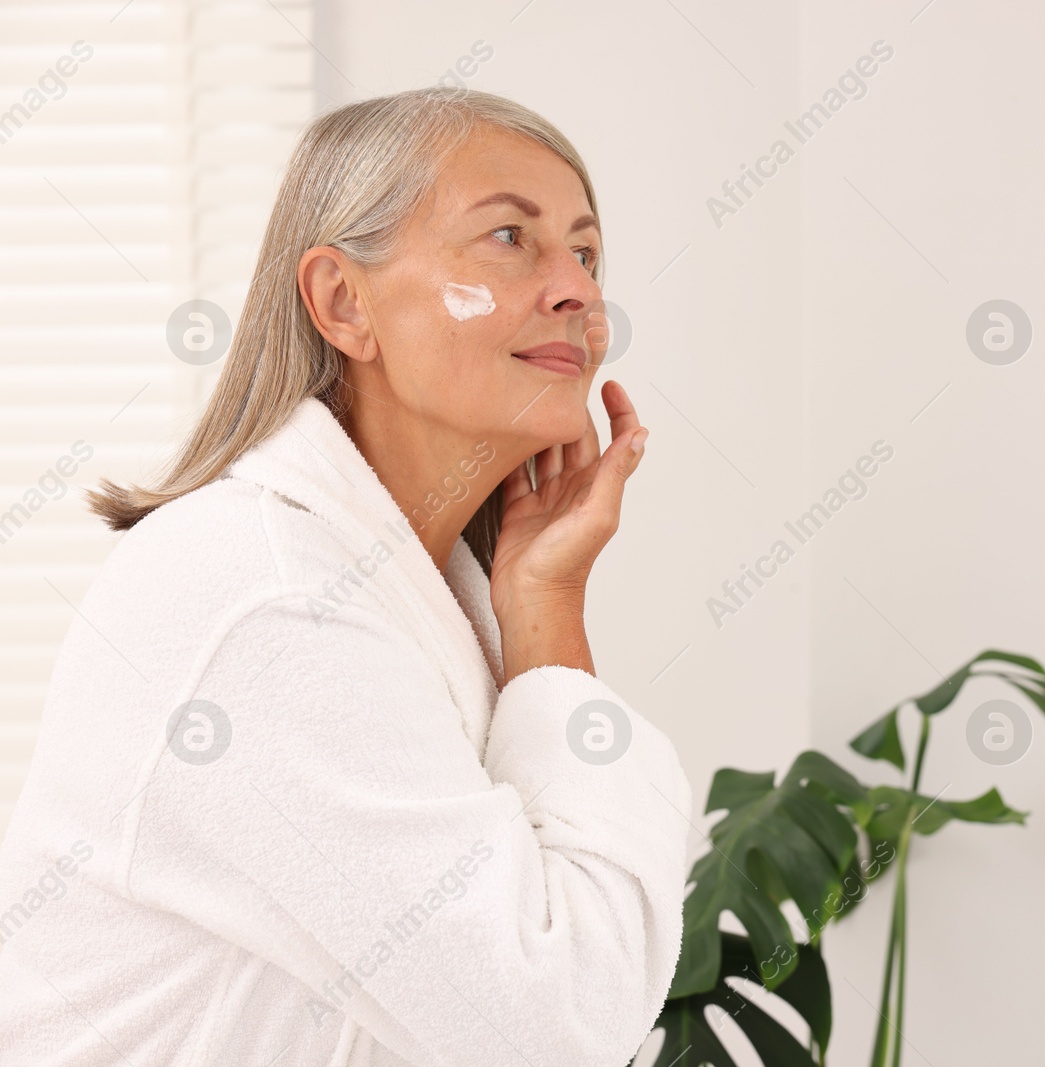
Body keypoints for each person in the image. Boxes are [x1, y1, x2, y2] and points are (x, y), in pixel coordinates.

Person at [0, 88, 690, 1066]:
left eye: (584, 252)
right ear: (342, 302)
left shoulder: (415, 588)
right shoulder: (264, 593)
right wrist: (552, 644)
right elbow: (549, 1029)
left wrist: (544, 607)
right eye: (508, 237)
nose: (578, 289)